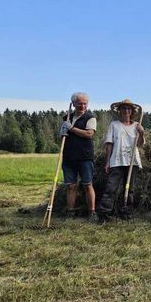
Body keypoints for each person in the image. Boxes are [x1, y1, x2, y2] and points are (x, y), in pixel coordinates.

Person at [97, 99, 145, 223]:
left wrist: (142, 133)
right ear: (120, 111)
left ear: (132, 111)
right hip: (117, 161)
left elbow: (140, 144)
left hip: (132, 162)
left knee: (130, 189)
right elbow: (109, 144)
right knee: (111, 188)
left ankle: (126, 212)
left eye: (129, 109)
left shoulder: (137, 126)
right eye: (124, 108)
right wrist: (107, 162)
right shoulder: (114, 125)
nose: (126, 111)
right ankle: (104, 214)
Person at [59, 92, 98, 222]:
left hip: (85, 157)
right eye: (80, 103)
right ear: (74, 104)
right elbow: (63, 138)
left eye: (85, 104)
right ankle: (70, 212)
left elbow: (89, 134)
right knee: (71, 186)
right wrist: (62, 132)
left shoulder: (90, 118)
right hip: (69, 157)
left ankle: (92, 212)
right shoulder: (67, 118)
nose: (82, 106)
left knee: (87, 184)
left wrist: (71, 129)